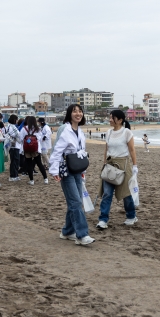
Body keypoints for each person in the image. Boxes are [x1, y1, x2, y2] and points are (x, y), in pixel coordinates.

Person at [49, 104, 95, 246]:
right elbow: (57, 151)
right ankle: (82, 235)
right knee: (75, 202)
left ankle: (67, 231)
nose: (78, 114)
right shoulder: (65, 129)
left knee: (73, 202)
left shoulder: (79, 131)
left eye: (80, 111)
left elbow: (82, 152)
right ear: (69, 114)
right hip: (66, 170)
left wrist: (83, 172)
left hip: (77, 169)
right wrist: (54, 171)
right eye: (74, 111)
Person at [96, 110, 139, 229]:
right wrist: (104, 163)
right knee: (107, 193)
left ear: (120, 120)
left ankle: (131, 216)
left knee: (126, 193)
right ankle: (103, 220)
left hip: (124, 166)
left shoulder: (126, 132)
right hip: (110, 166)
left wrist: (135, 166)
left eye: (112, 118)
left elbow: (132, 150)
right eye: (109, 117)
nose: (110, 119)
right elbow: (106, 149)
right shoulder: (109, 132)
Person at [20, 116, 48, 185]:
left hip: (27, 149)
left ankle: (31, 180)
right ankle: (45, 179)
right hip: (36, 149)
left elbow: (20, 138)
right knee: (39, 164)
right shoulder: (37, 129)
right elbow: (40, 138)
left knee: (29, 164)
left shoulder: (24, 129)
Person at [6, 115, 21, 181]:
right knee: (14, 161)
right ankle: (13, 176)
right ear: (14, 119)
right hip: (14, 146)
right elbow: (17, 135)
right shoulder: (11, 126)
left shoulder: (11, 126)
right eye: (16, 119)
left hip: (15, 146)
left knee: (16, 161)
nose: (17, 121)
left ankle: (15, 175)